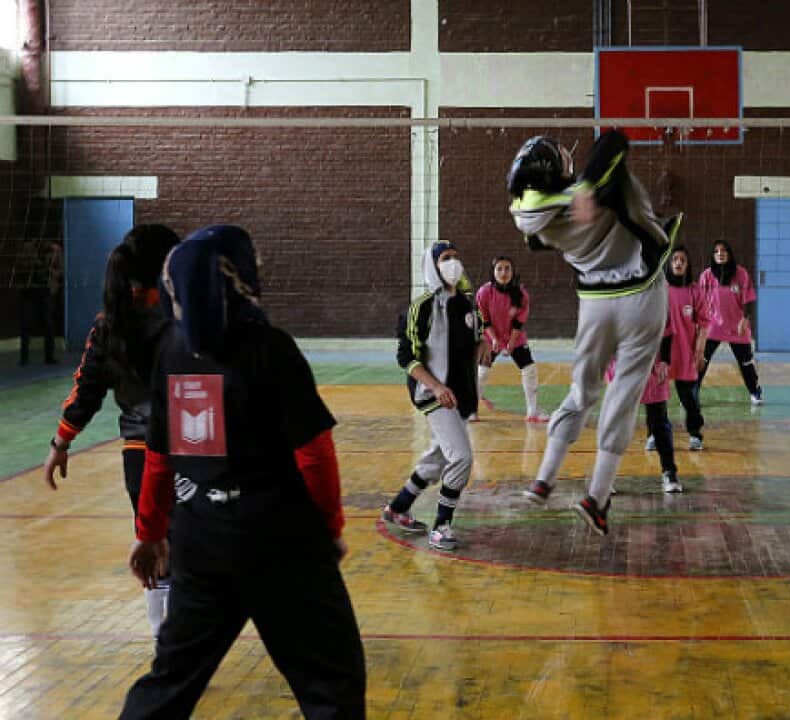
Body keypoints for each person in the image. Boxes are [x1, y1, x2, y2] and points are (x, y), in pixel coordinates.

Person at [121, 225, 365, 717]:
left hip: (201, 541)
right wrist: (329, 529)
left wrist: (149, 533)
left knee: (170, 681)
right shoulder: (271, 348)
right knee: (332, 682)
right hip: (281, 540)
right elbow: (314, 453)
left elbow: (160, 457)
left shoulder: (170, 351)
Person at [508, 129, 676, 536]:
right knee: (624, 392)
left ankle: (543, 480)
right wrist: (585, 186)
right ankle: (597, 497)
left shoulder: (533, 221)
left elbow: (538, 237)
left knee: (582, 391)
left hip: (594, 303)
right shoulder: (601, 187)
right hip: (641, 294)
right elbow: (614, 139)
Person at [42, 224, 180, 636]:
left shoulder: (109, 323)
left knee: (158, 543)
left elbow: (87, 388)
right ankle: (175, 640)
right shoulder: (181, 322)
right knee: (179, 543)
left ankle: (166, 639)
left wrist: (60, 443)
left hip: (140, 454)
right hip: (187, 448)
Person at [381, 242, 487, 551]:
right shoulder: (422, 307)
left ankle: (398, 507)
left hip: (461, 396)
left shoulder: (468, 305)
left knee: (437, 458)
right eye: (445, 259)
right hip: (433, 394)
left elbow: (475, 337)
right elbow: (407, 357)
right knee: (462, 458)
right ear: (432, 266)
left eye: (456, 257)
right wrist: (437, 387)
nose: (453, 263)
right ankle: (441, 526)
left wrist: (483, 345)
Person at [608, 322, 683, 493]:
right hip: (621, 366)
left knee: (659, 422)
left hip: (652, 366)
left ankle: (669, 472)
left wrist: (664, 360)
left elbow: (668, 329)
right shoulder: (614, 298)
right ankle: (606, 477)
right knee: (616, 424)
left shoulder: (655, 298)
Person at [646, 246, 707, 451]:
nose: (678, 263)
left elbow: (704, 324)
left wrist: (700, 351)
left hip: (684, 353)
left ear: (688, 265)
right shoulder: (660, 289)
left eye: (682, 260)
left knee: (689, 398)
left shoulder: (694, 290)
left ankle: (695, 433)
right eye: (674, 260)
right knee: (656, 399)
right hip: (660, 355)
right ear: (669, 265)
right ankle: (654, 434)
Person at [475, 255, 549, 423]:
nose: (503, 272)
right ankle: (471, 410)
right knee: (481, 372)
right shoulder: (484, 292)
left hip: (514, 338)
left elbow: (518, 322)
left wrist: (512, 343)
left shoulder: (521, 293)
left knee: (529, 369)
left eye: (507, 268)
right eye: (499, 268)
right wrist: (494, 340)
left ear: (512, 271)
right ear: (492, 272)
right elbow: (484, 320)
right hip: (490, 337)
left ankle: (533, 411)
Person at [698, 240, 763, 405]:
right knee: (701, 360)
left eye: (724, 250)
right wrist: (699, 326)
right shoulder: (706, 275)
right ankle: (691, 394)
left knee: (746, 362)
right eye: (717, 251)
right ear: (713, 255)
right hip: (713, 325)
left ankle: (755, 392)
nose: (720, 253)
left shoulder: (741, 274)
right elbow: (699, 302)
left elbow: (749, 299)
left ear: (729, 254)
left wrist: (745, 319)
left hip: (737, 326)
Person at [18, 239, 62, 366]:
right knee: (26, 323)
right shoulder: (27, 248)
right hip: (29, 289)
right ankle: (24, 357)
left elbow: (60, 271)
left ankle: (49, 356)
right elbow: (20, 266)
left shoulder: (56, 250)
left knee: (48, 323)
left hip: (46, 289)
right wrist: (33, 263)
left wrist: (48, 271)